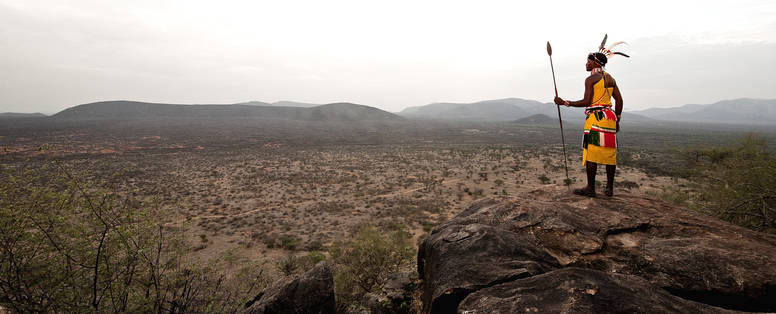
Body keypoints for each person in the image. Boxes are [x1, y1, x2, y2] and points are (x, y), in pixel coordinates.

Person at [554, 36, 628, 197]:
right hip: (609, 118)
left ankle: (591, 188)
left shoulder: (591, 79)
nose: (586, 64)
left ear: (596, 63)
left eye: (588, 62)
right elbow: (619, 100)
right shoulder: (611, 79)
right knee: (610, 153)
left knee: (592, 153)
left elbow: (587, 101)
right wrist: (618, 119)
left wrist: (564, 102)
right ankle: (609, 188)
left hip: (596, 119)